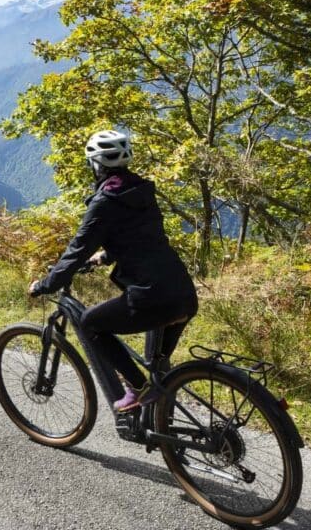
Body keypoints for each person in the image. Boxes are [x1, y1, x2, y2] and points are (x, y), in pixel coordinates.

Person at [27, 129, 198, 414]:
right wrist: (105, 257)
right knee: (160, 373)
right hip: (182, 291)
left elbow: (75, 251)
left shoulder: (104, 202)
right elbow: (142, 238)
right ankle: (162, 425)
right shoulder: (141, 190)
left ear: (95, 164)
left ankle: (138, 388)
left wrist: (46, 284)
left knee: (90, 324)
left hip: (151, 295)